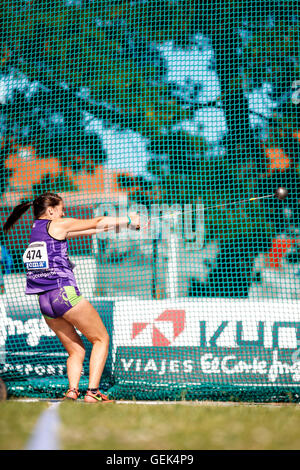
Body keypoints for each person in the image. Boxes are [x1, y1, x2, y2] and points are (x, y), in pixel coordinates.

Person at [3, 192, 140, 403]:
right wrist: (129, 219)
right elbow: (97, 220)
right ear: (51, 211)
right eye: (61, 209)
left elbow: (91, 229)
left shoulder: (35, 231)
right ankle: (93, 392)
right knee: (101, 339)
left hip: (45, 303)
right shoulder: (57, 225)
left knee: (76, 350)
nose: (63, 212)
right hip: (63, 294)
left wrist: (125, 228)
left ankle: (72, 391)